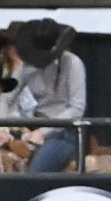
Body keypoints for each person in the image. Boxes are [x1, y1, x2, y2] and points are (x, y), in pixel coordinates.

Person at [6, 19, 86, 174]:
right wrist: (1, 128)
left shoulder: (72, 64)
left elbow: (77, 109)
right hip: (34, 125)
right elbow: (7, 97)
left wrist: (43, 131)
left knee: (36, 171)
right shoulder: (25, 66)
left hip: (65, 132)